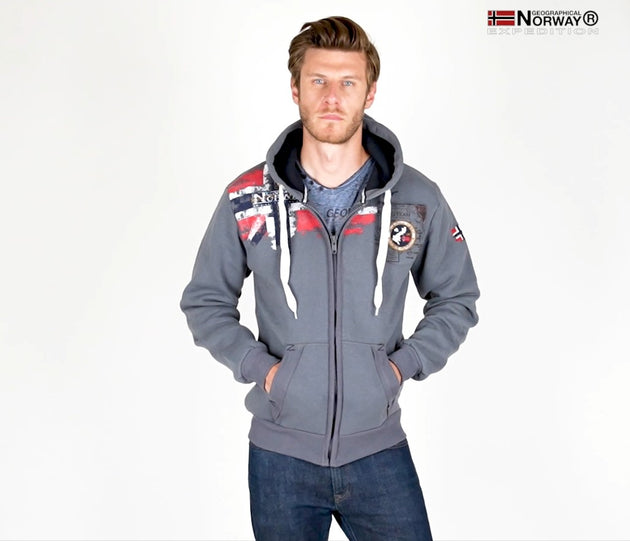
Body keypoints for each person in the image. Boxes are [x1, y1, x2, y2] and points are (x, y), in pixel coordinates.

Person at [181, 15, 479, 541]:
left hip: (379, 452)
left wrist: (399, 368)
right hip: (280, 459)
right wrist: (264, 371)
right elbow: (205, 302)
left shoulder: (415, 198)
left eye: (348, 82)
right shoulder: (249, 198)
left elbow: (456, 297)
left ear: (370, 93)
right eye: (318, 80)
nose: (332, 97)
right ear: (295, 89)